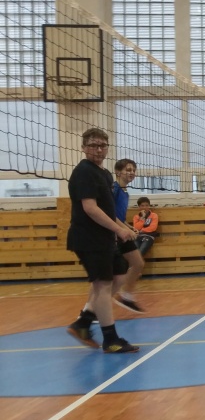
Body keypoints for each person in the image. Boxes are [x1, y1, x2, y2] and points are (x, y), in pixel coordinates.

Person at [65, 128, 140, 354]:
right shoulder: (84, 172)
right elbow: (90, 208)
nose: (98, 150)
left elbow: (107, 210)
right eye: (93, 145)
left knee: (119, 276)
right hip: (89, 238)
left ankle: (83, 323)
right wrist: (118, 229)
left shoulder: (105, 174)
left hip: (105, 238)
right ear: (83, 147)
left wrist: (123, 228)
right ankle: (111, 339)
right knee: (103, 286)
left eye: (102, 146)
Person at [111, 158, 146, 313]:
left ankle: (126, 296)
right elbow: (109, 214)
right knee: (110, 278)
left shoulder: (125, 192)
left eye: (133, 170)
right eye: (128, 170)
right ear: (118, 172)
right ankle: (91, 310)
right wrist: (124, 229)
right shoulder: (114, 188)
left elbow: (119, 216)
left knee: (138, 263)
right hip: (113, 233)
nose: (131, 173)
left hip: (122, 232)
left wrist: (130, 227)